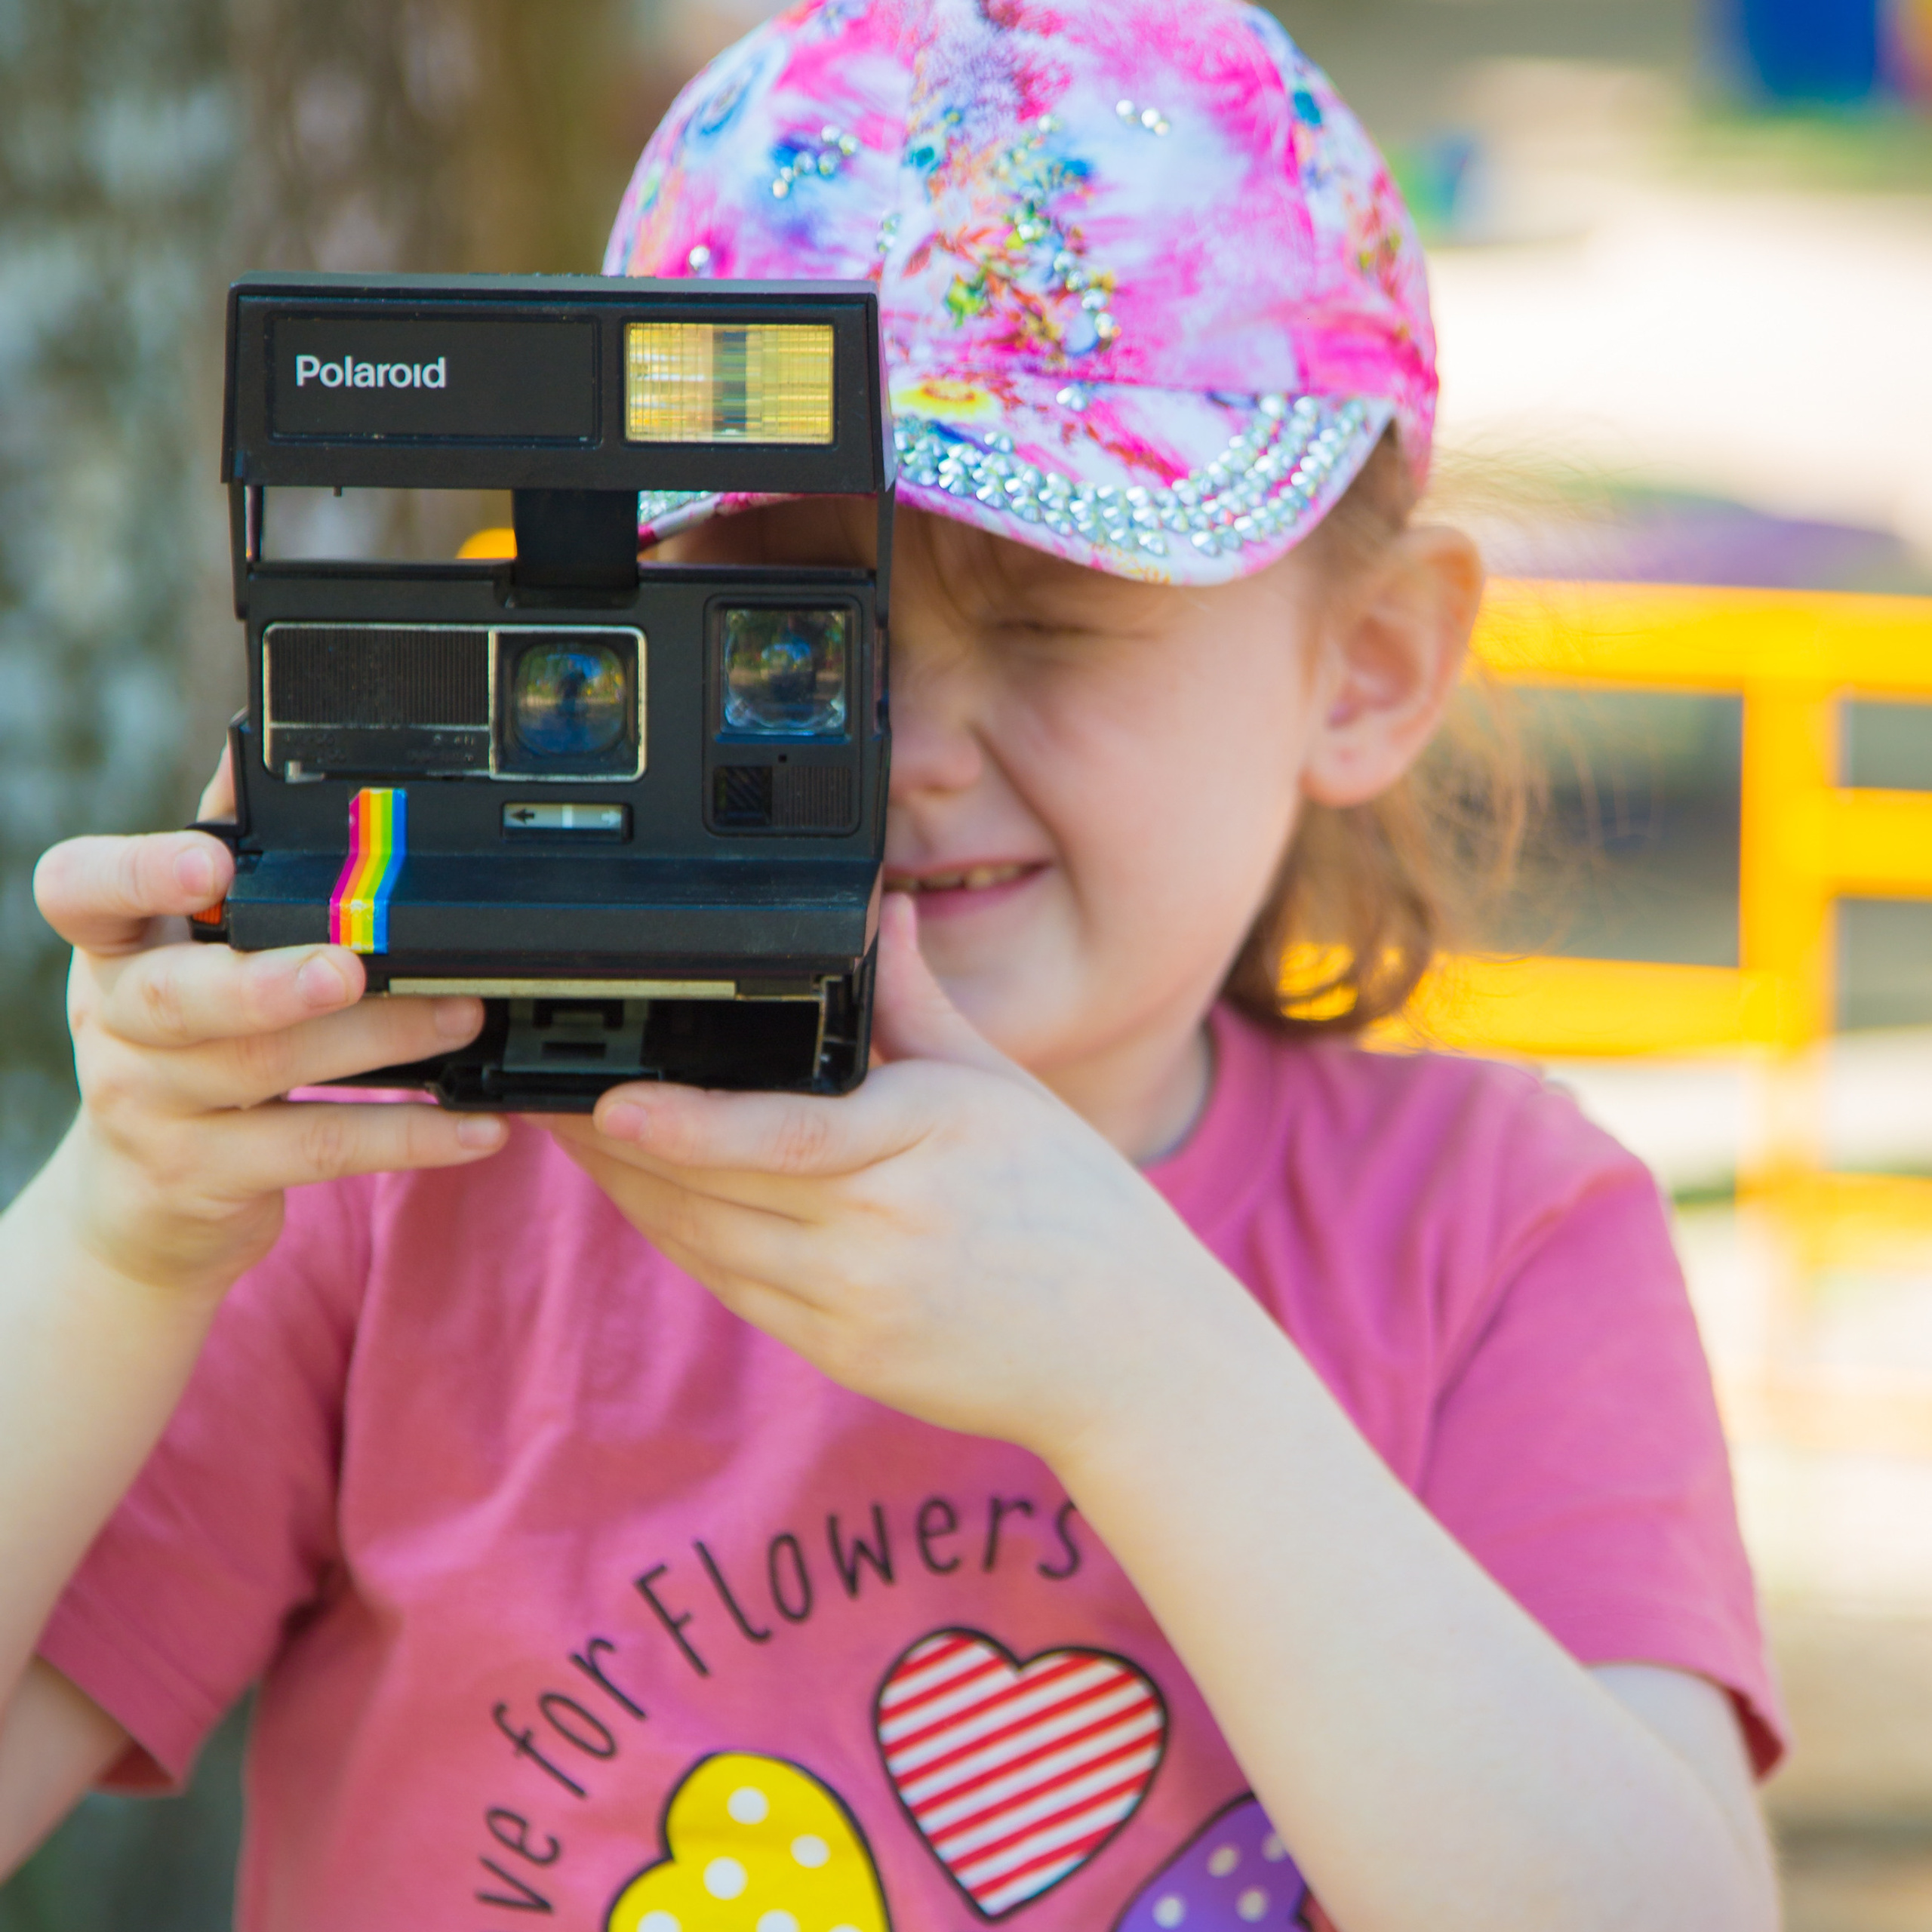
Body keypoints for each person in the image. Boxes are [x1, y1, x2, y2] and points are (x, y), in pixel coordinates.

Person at [0, 4, 1784, 1927]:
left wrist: (1145, 1372)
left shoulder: (1492, 1231)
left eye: (1049, 614)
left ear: (1365, 669)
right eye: (775, 609)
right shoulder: (389, 1166)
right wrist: (120, 1232)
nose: (896, 738)